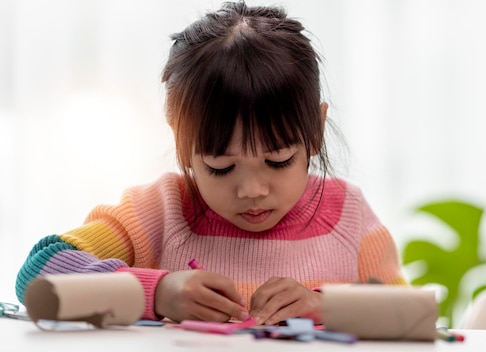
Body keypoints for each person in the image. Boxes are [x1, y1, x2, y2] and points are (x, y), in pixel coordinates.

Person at [14, 1, 407, 325]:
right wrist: (159, 292)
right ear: (180, 140)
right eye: (221, 166)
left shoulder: (347, 216)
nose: (252, 190)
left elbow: (409, 316)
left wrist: (327, 308)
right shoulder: (161, 211)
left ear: (316, 133)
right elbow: (38, 273)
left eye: (279, 160)